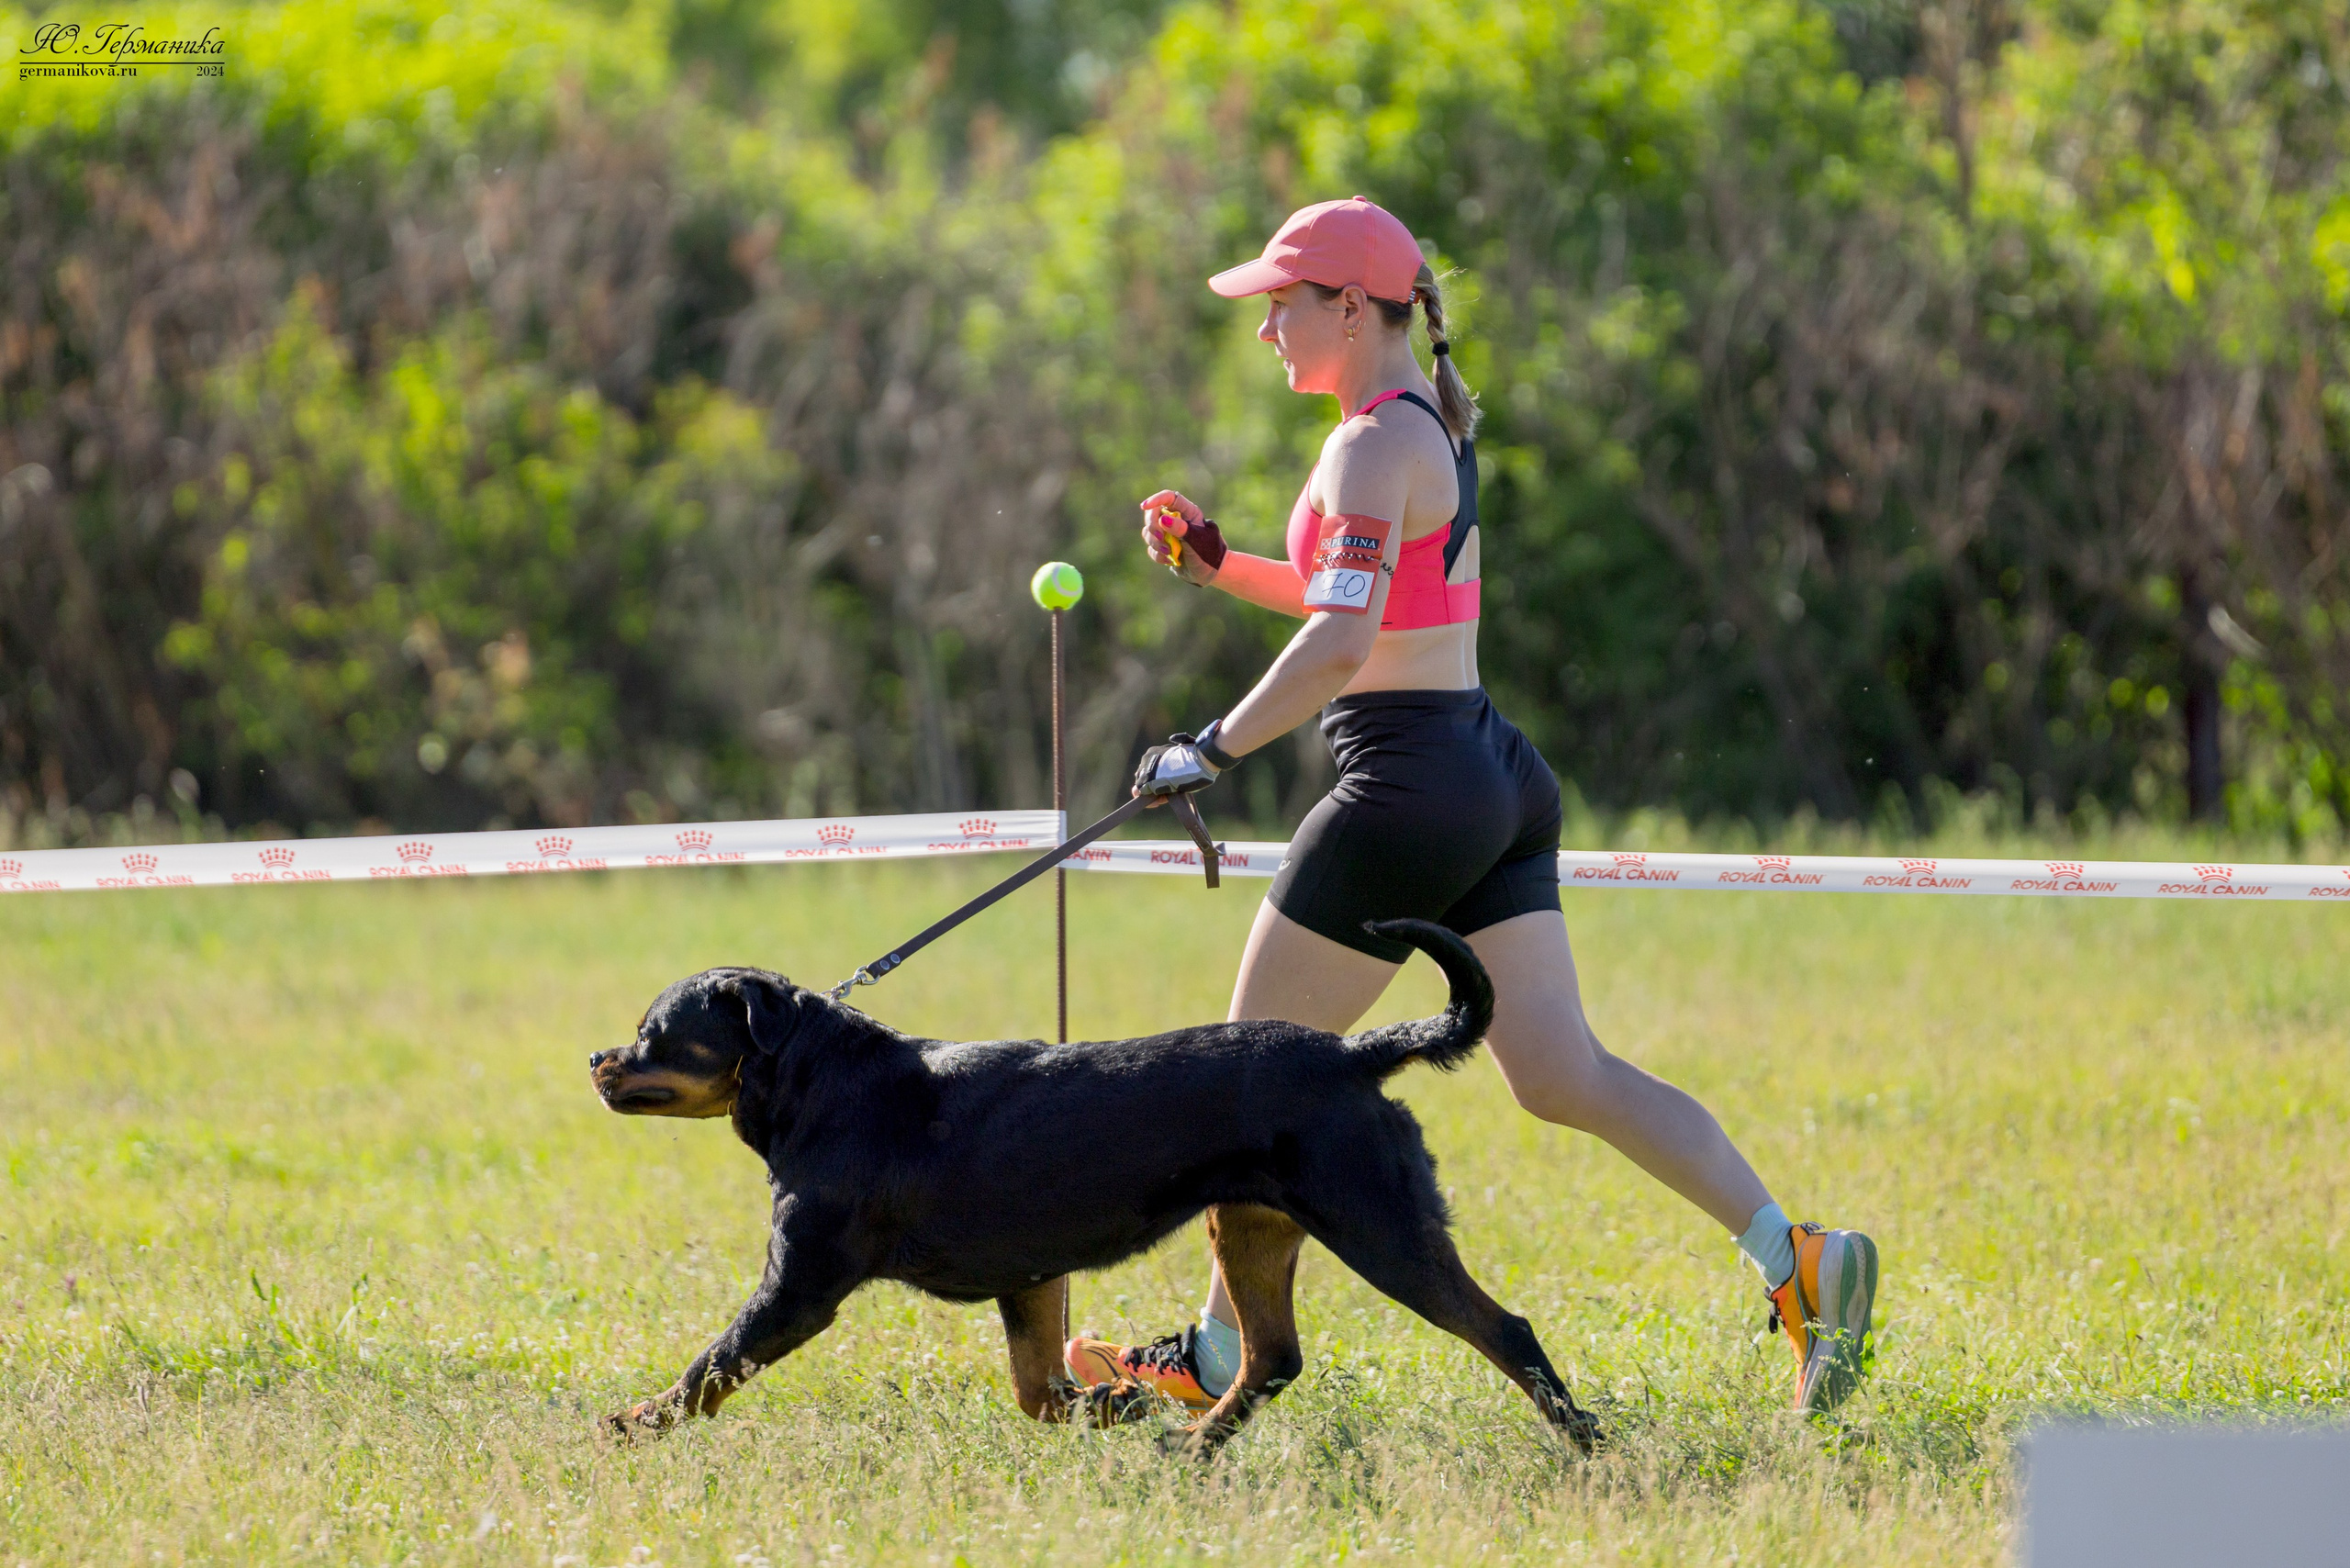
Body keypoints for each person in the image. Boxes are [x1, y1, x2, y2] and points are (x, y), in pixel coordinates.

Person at [1066, 196, 1877, 1418]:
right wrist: (1222, 567)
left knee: (1247, 1094)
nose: (1266, 329)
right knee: (1562, 1072)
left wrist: (1208, 747)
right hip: (1487, 774)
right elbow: (1359, 605)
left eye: (1282, 305)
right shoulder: (1417, 425)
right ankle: (1795, 1257)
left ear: (1351, 306)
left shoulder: (1366, 446)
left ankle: (1219, 1357)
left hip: (1403, 788)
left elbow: (1342, 644)